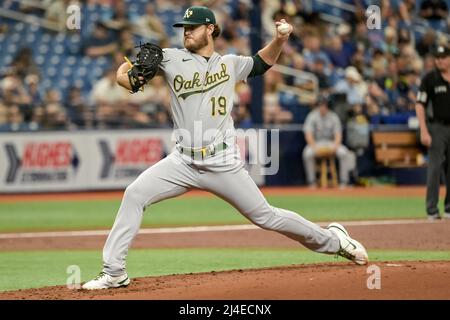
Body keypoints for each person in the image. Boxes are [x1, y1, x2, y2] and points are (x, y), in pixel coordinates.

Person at [82, 6, 368, 290]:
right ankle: (114, 271)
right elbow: (131, 78)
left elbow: (261, 63)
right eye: (184, 28)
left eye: (192, 27)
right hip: (182, 162)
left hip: (222, 161)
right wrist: (126, 77)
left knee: (265, 216)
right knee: (134, 194)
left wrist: (280, 39)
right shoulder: (170, 58)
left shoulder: (230, 63)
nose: (186, 32)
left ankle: (335, 240)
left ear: (210, 29)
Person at [416, 45, 450, 220]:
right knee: (435, 168)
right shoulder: (430, 78)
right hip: (437, 128)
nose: (439, 60)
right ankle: (432, 209)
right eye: (437, 57)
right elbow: (420, 104)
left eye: (443, 57)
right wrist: (424, 130)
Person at [302, 95, 356, 188]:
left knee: (344, 153)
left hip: (331, 144)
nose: (323, 107)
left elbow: (338, 135)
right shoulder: (312, 116)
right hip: (317, 143)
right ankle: (312, 182)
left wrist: (335, 146)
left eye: (325, 105)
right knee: (307, 154)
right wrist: (314, 147)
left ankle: (344, 181)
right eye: (321, 105)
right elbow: (308, 135)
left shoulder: (333, 116)